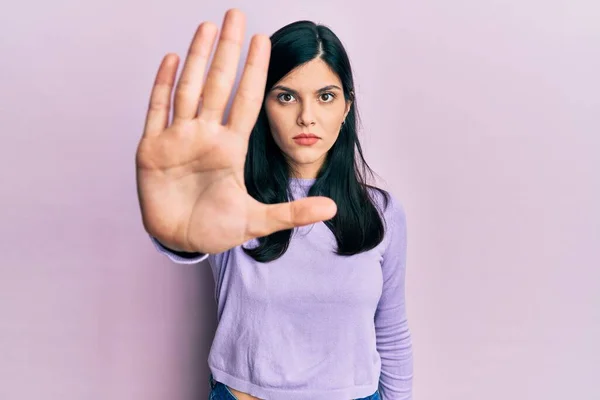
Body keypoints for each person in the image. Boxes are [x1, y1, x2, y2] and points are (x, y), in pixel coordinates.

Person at [135, 8, 413, 400]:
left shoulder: (382, 213)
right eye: (286, 96)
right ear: (264, 106)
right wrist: (178, 236)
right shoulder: (232, 200)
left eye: (325, 97)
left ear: (347, 107)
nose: (307, 117)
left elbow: (392, 330)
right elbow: (193, 236)